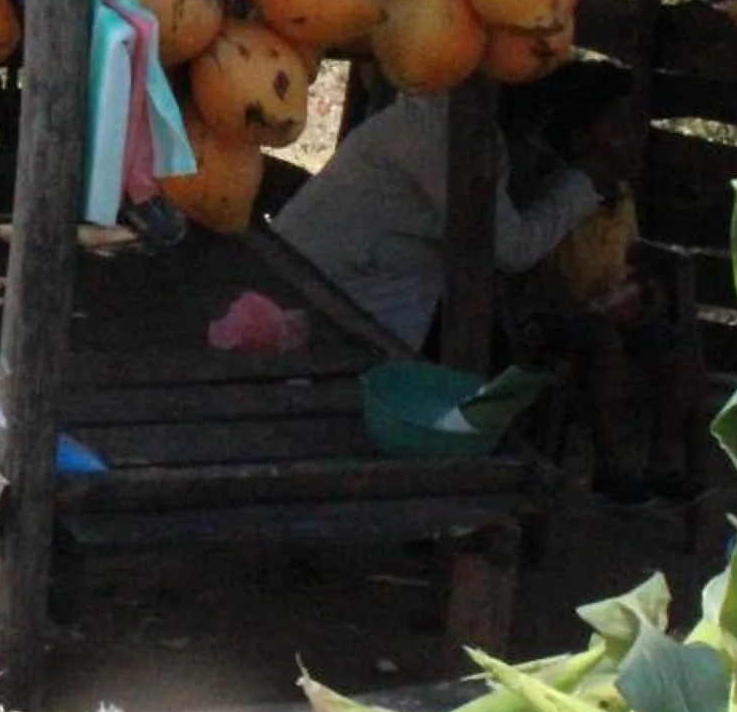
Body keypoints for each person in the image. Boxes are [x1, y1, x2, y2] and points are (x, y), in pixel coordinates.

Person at [267, 59, 640, 358]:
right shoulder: (445, 129)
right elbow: (511, 248)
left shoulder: (458, 124)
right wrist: (584, 180)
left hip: (343, 300)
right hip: (312, 306)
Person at [502, 78, 706, 503]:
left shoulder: (619, 191)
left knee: (677, 347)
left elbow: (625, 250)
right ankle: (611, 466)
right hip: (557, 317)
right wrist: (590, 309)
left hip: (612, 310)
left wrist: (641, 288)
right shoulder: (556, 190)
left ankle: (663, 463)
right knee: (603, 343)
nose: (627, 137)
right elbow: (534, 263)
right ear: (579, 138)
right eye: (615, 126)